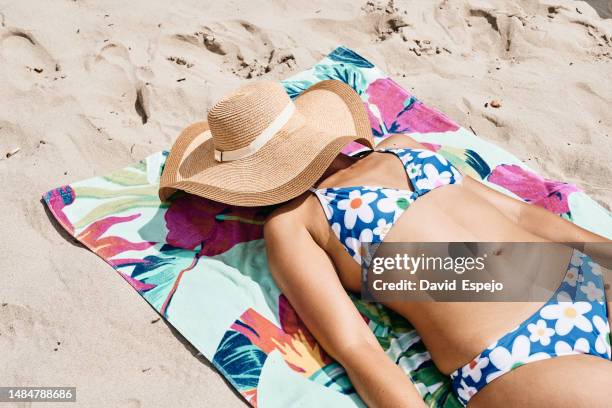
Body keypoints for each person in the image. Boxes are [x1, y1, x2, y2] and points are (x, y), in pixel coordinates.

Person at [159, 80, 612, 407]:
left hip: (582, 278)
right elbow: (355, 346)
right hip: (519, 350)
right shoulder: (296, 222)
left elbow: (520, 214)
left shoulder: (403, 146)